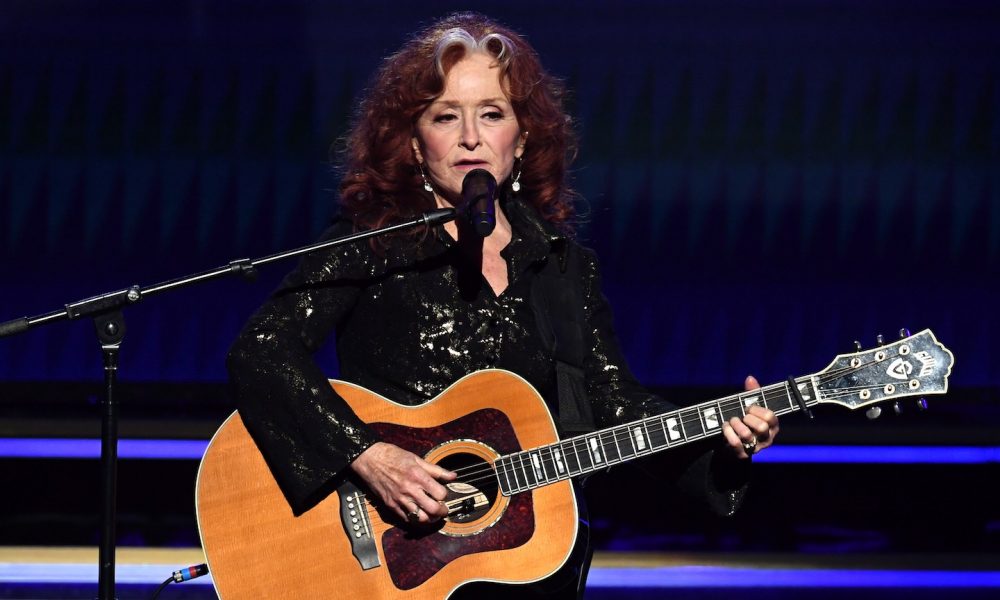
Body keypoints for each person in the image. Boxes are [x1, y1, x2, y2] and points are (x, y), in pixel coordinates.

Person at [227, 12, 779, 599]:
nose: (470, 136)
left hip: (525, 562)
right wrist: (367, 455)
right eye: (446, 117)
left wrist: (716, 436)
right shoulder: (375, 241)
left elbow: (609, 399)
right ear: (415, 147)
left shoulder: (561, 262)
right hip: (392, 566)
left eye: (491, 114)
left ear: (522, 139)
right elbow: (262, 353)